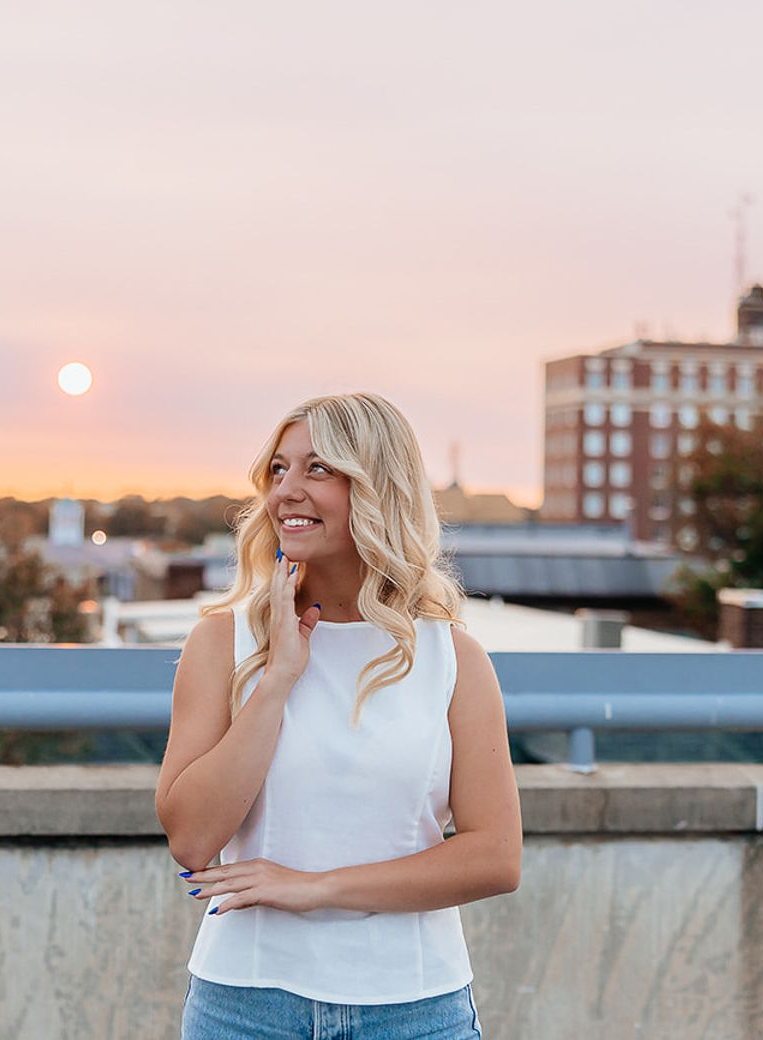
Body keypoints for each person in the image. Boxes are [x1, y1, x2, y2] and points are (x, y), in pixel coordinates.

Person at [156, 393, 522, 1039]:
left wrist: (315, 887)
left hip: (416, 1009)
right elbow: (191, 838)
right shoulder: (222, 643)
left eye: (318, 469)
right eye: (278, 469)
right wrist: (279, 679)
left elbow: (494, 856)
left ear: (380, 489)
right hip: (245, 1005)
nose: (286, 492)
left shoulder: (452, 658)